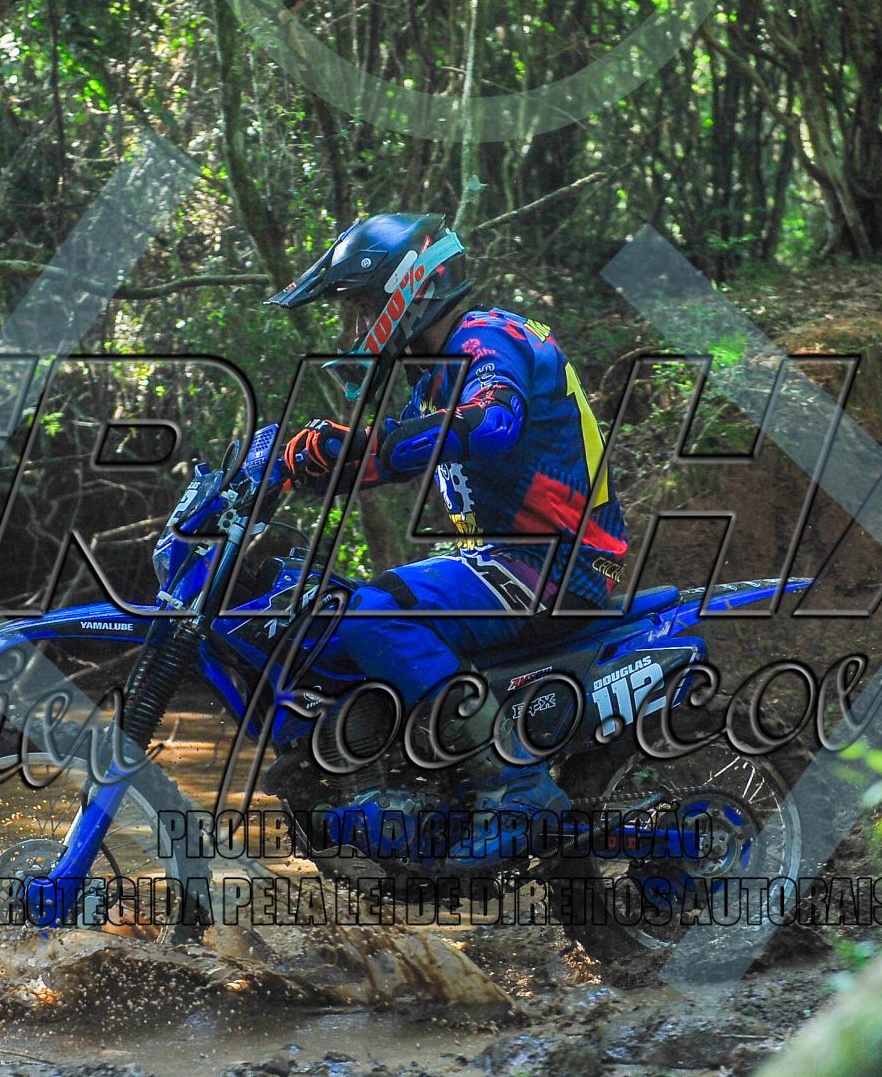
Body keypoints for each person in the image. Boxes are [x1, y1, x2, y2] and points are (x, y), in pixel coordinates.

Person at [264, 212, 628, 838]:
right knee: (338, 620)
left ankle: (513, 786)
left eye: (362, 308)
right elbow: (389, 455)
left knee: (374, 612)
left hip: (552, 562)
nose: (356, 328)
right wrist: (298, 466)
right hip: (507, 563)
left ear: (407, 289)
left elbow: (492, 423)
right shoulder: (435, 378)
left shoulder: (487, 338)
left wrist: (368, 445)